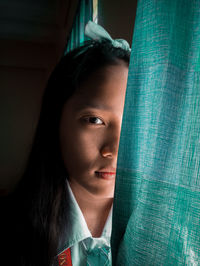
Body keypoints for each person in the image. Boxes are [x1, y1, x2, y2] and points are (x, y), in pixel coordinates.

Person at [2, 21, 130, 266]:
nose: (114, 150)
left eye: (133, 125)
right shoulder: (11, 230)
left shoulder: (165, 236)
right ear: (56, 121)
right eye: (95, 120)